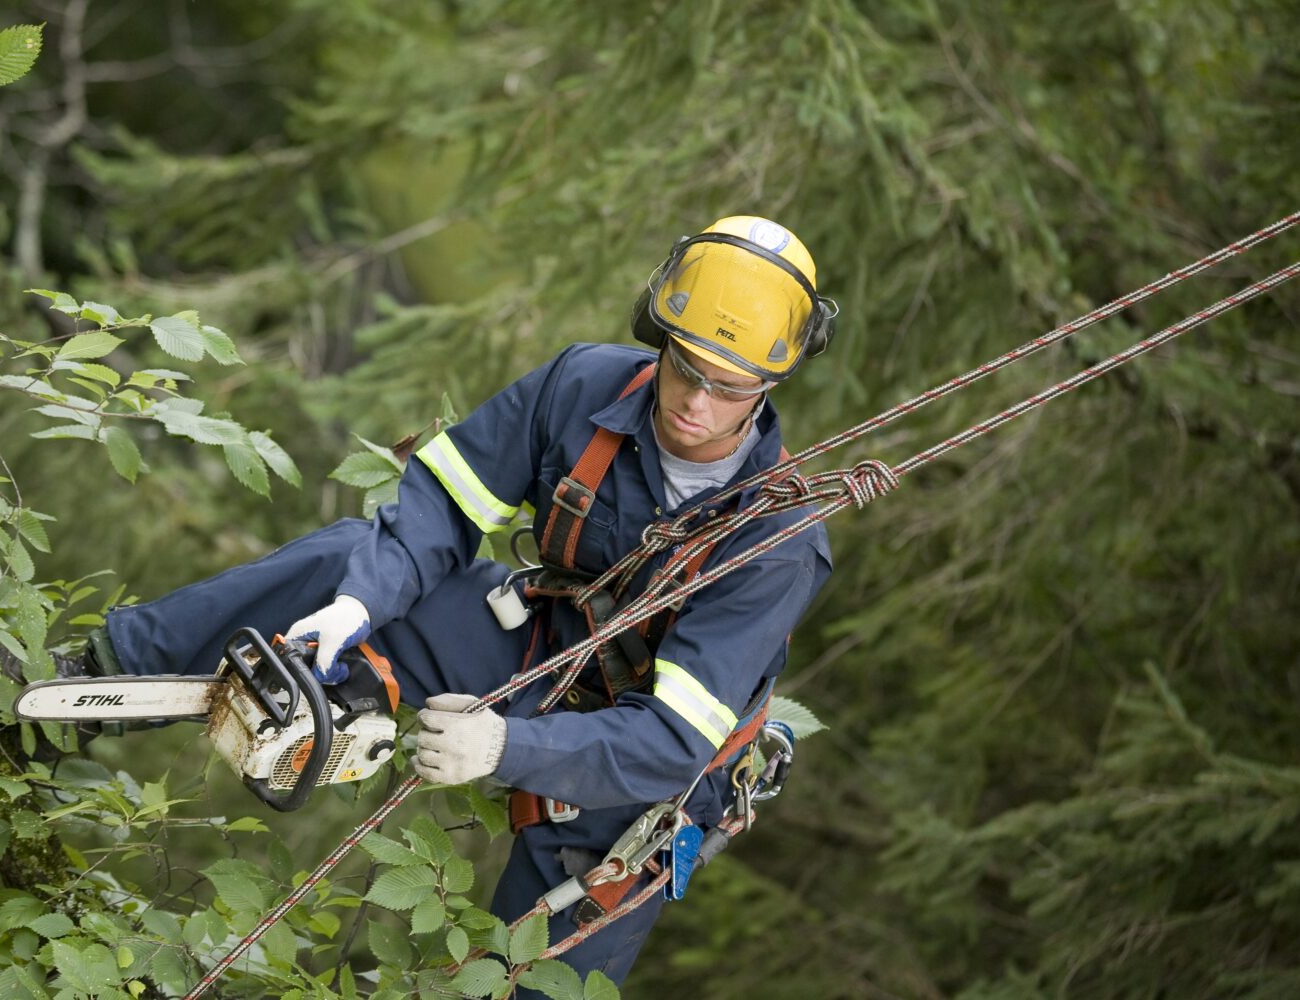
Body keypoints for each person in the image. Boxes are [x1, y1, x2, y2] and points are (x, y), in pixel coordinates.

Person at [70, 215, 835, 991]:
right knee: (344, 558)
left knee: (529, 974)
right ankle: (95, 682)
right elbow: (445, 500)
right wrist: (357, 605)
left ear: (766, 389)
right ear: (659, 337)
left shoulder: (779, 541)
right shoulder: (584, 388)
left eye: (727, 387)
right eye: (686, 367)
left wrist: (506, 750)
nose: (696, 403)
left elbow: (671, 740)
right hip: (542, 649)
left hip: (639, 769)